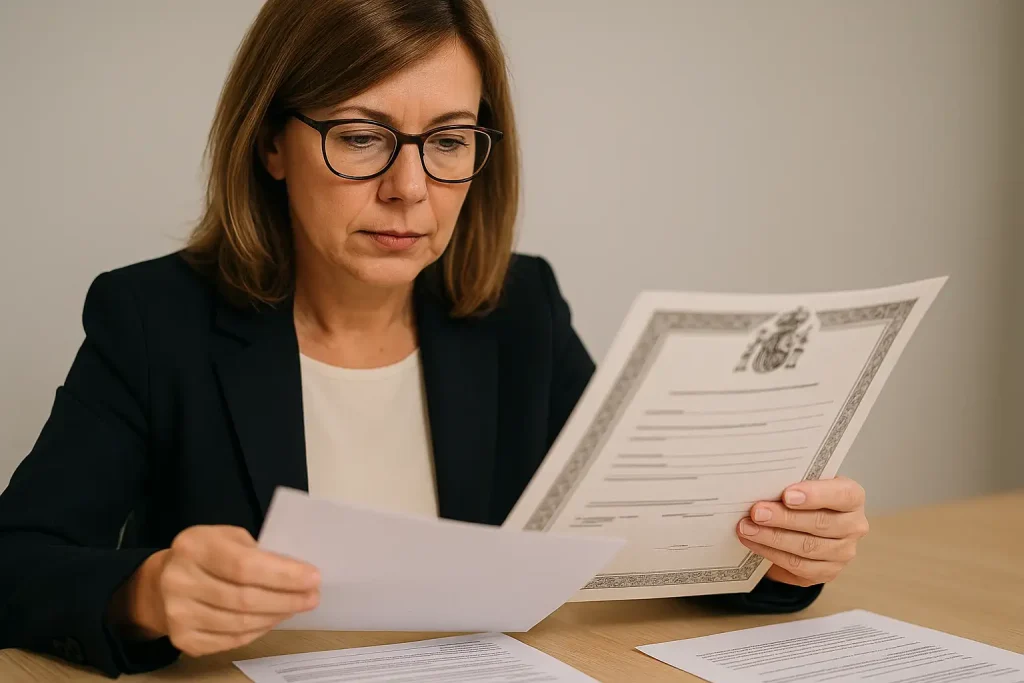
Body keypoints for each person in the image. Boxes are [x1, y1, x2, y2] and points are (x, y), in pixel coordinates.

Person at [0, 0, 870, 677]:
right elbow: (15, 563)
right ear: (271, 141)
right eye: (361, 137)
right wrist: (145, 592)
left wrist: (778, 560)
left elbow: (634, 546)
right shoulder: (155, 319)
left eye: (449, 140)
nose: (410, 188)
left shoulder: (519, 306)